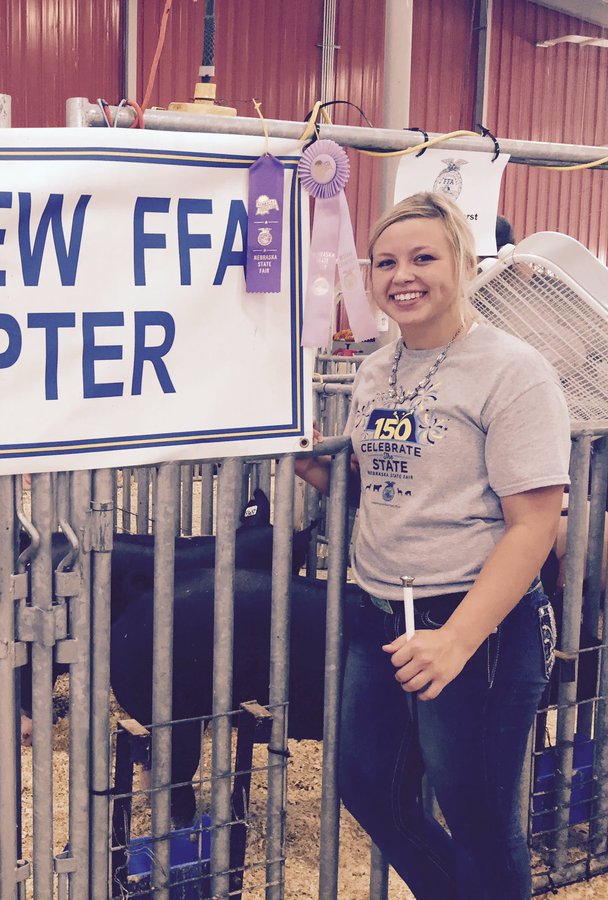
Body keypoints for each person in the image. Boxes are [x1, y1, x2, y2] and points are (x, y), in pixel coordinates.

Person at [295, 191, 570, 899]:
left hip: (475, 627)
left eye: (423, 257)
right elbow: (387, 484)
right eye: (386, 262)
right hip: (382, 616)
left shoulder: (513, 371)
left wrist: (457, 640)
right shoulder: (375, 369)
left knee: (478, 818)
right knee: (367, 786)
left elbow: (534, 524)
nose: (401, 275)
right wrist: (321, 474)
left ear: (465, 263)